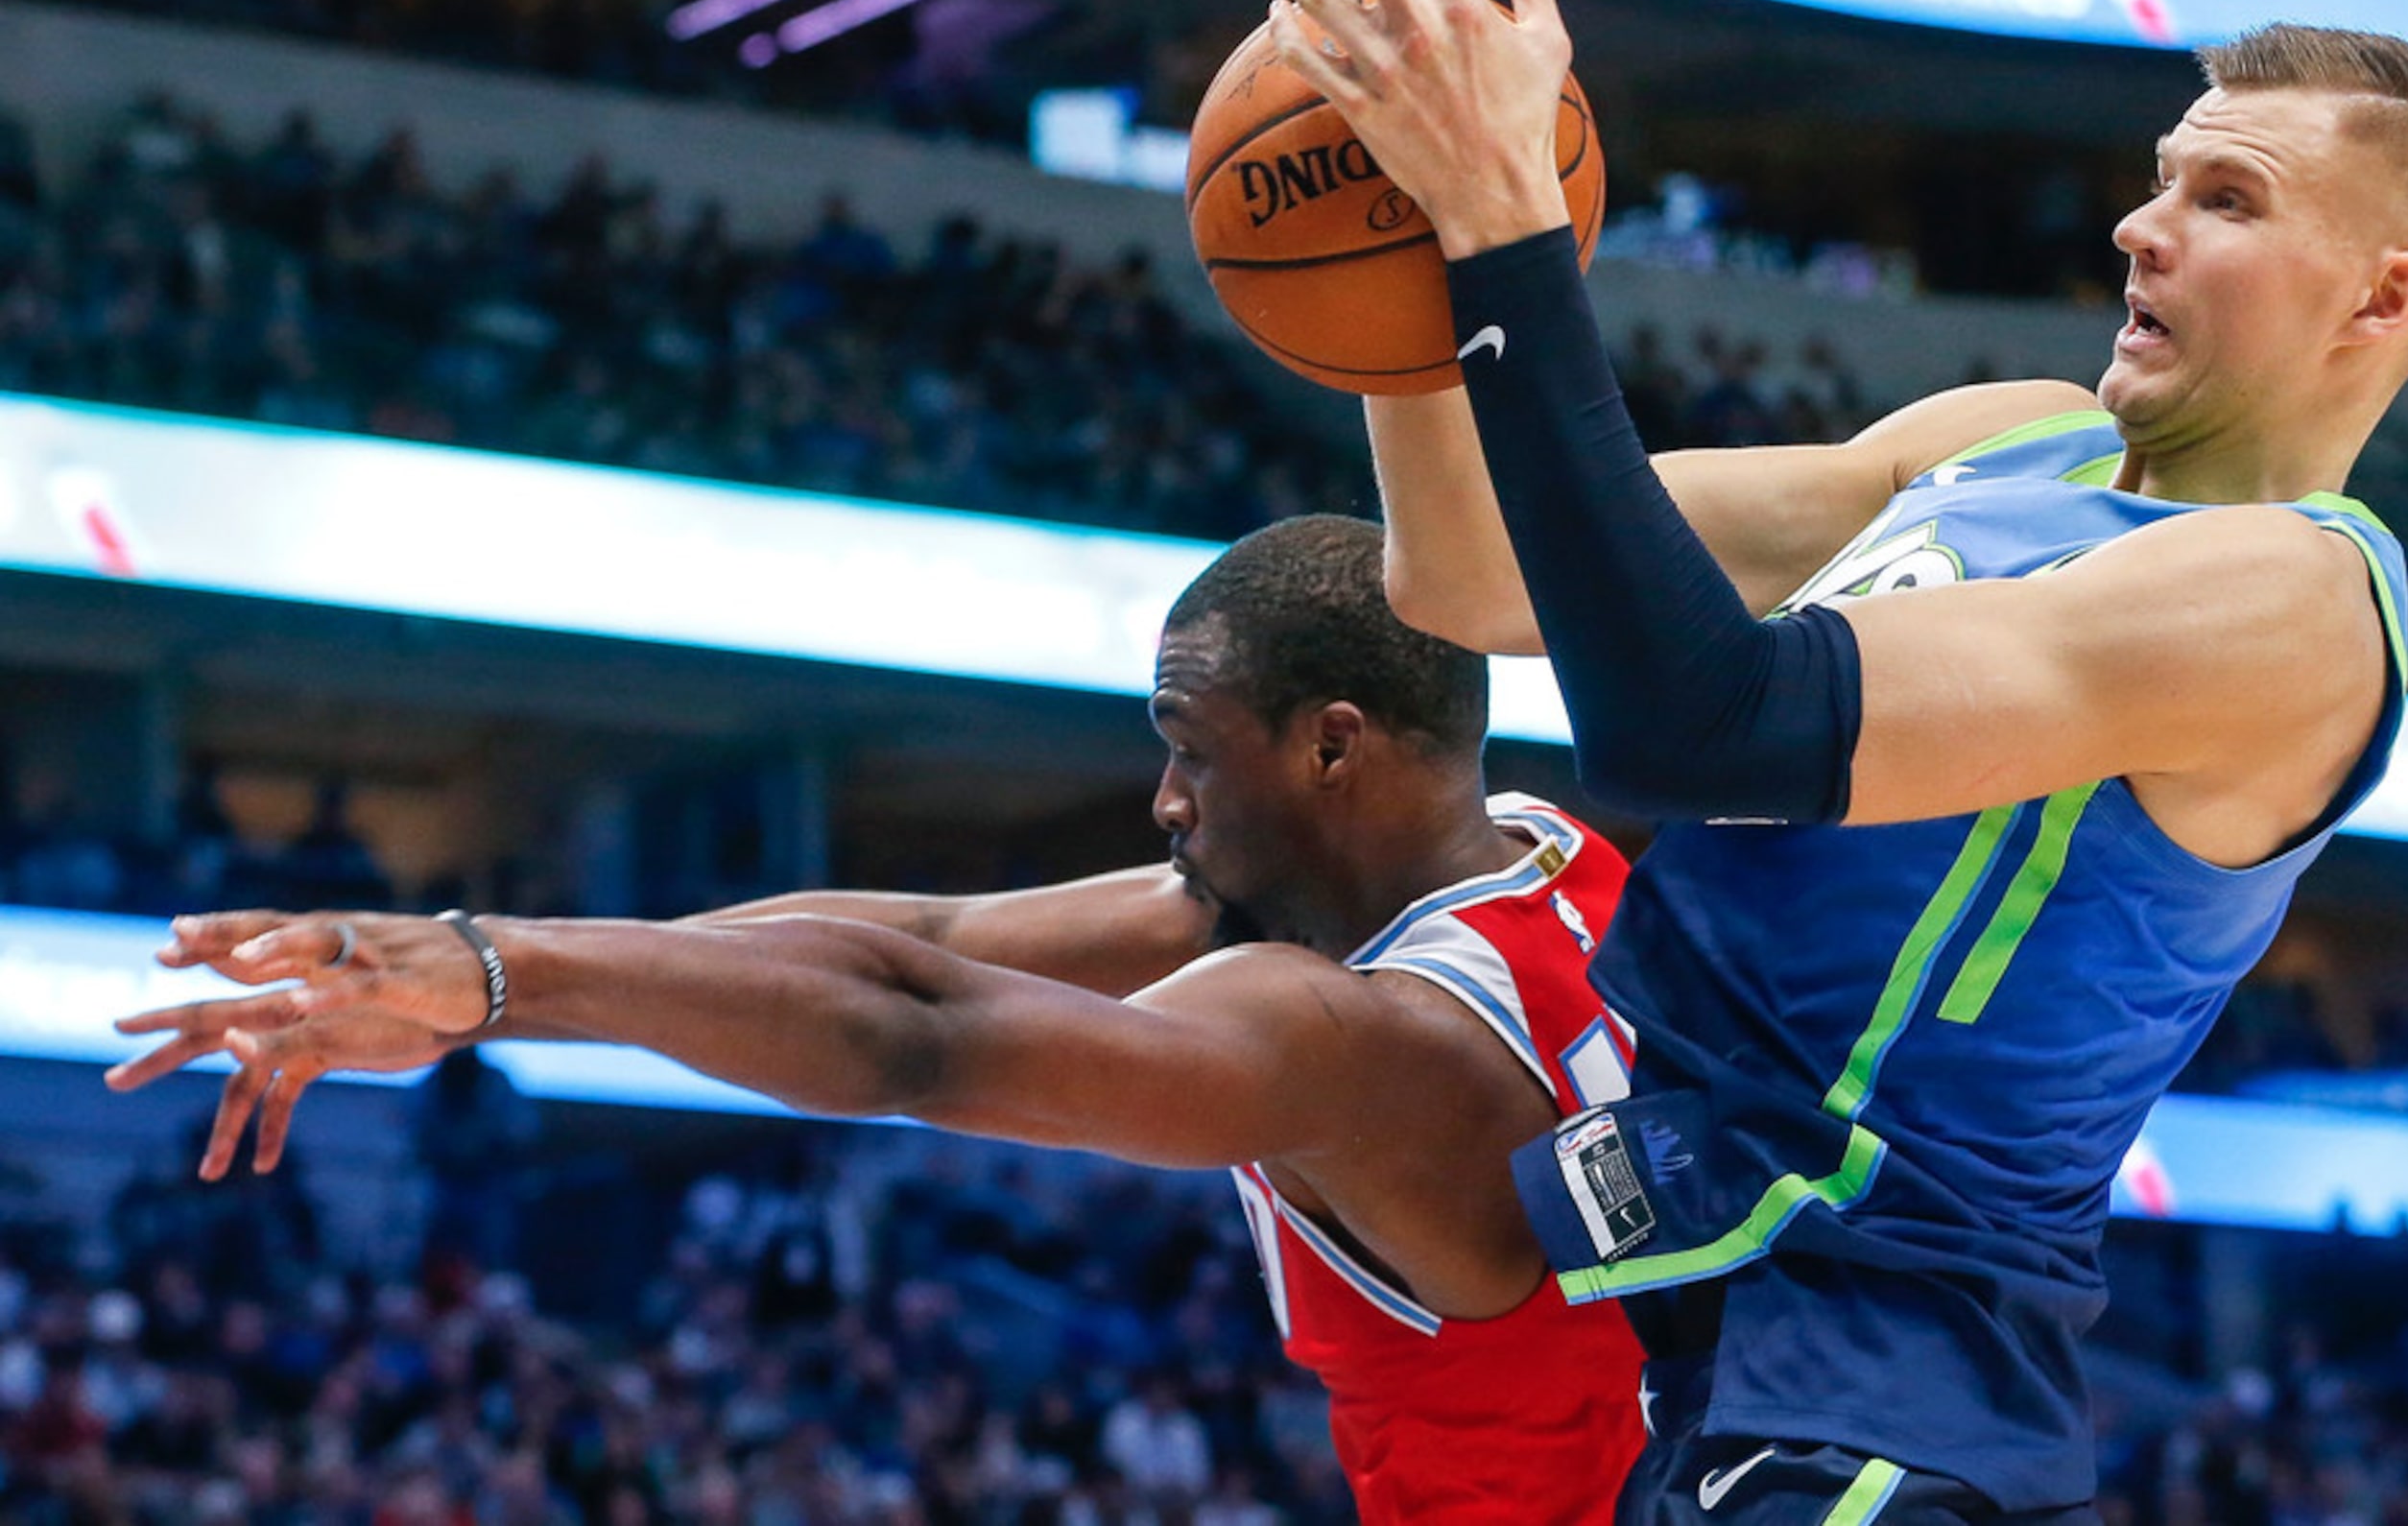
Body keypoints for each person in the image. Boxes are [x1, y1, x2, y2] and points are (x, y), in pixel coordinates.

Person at [1257, 0, 2408, 1524]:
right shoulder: (2011, 439)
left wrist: (1502, 210)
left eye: (2225, 198)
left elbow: (1698, 725)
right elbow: (1467, 571)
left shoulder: (2290, 607)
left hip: (1876, 1389)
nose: (2142, 226)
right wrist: (1400, 233)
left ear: (2384, 299)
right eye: (2159, 175)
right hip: (1682, 1301)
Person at [108, 514, 1647, 1525]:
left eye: (1189, 748)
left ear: (1333, 748)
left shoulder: (1367, 1039)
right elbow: (930, 934)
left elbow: (919, 1025)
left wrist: (503, 961)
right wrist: (480, 997)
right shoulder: (1543, 857)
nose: (1165, 799)